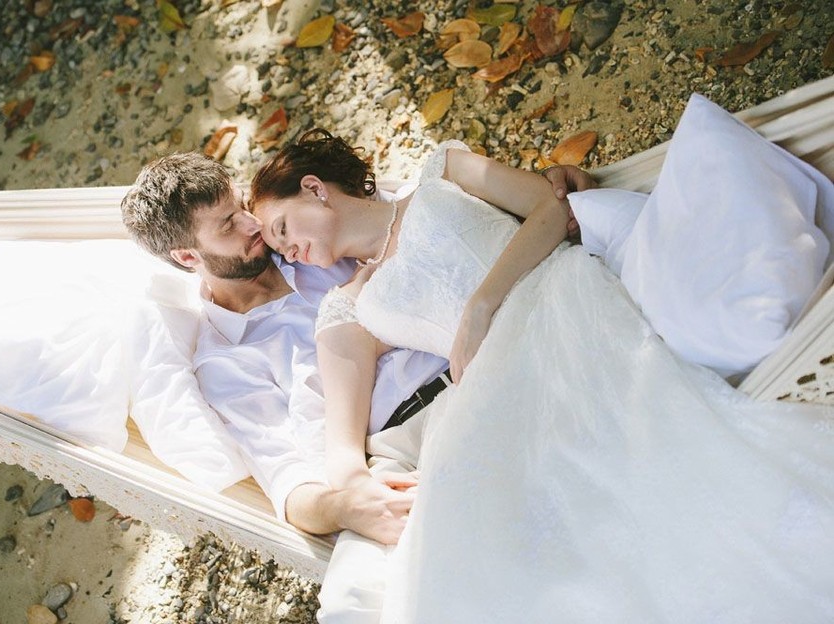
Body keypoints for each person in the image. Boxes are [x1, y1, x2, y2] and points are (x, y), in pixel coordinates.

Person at [250, 122, 834, 622]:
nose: (288, 252)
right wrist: (355, 493)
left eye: (282, 230)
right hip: (493, 388)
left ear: (314, 189)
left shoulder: (442, 170)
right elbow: (342, 447)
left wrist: (481, 307)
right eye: (280, 250)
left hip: (563, 298)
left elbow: (554, 206)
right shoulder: (348, 307)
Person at [120, 151, 590, 546]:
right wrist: (345, 505)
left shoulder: (302, 233)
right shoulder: (226, 362)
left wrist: (547, 191)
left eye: (241, 206)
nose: (253, 225)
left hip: (503, 347)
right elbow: (290, 488)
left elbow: (431, 212)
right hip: (410, 441)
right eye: (229, 225)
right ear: (187, 257)